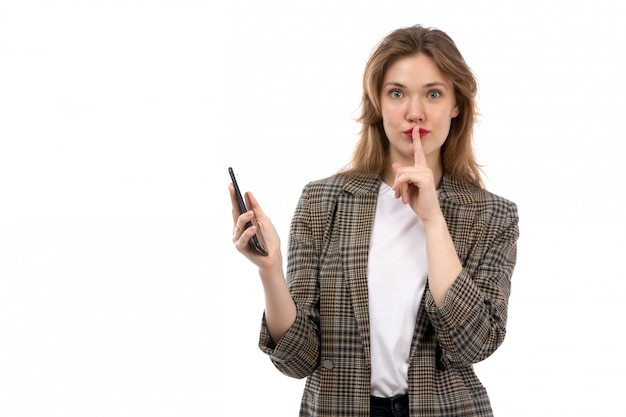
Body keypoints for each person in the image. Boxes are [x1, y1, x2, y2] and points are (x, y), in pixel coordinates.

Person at [229, 24, 519, 417]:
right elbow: (297, 360)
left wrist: (433, 221)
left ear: (456, 104)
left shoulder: (492, 214)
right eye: (396, 93)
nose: (414, 111)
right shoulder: (322, 201)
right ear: (378, 103)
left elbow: (475, 344)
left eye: (433, 93)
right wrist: (270, 269)